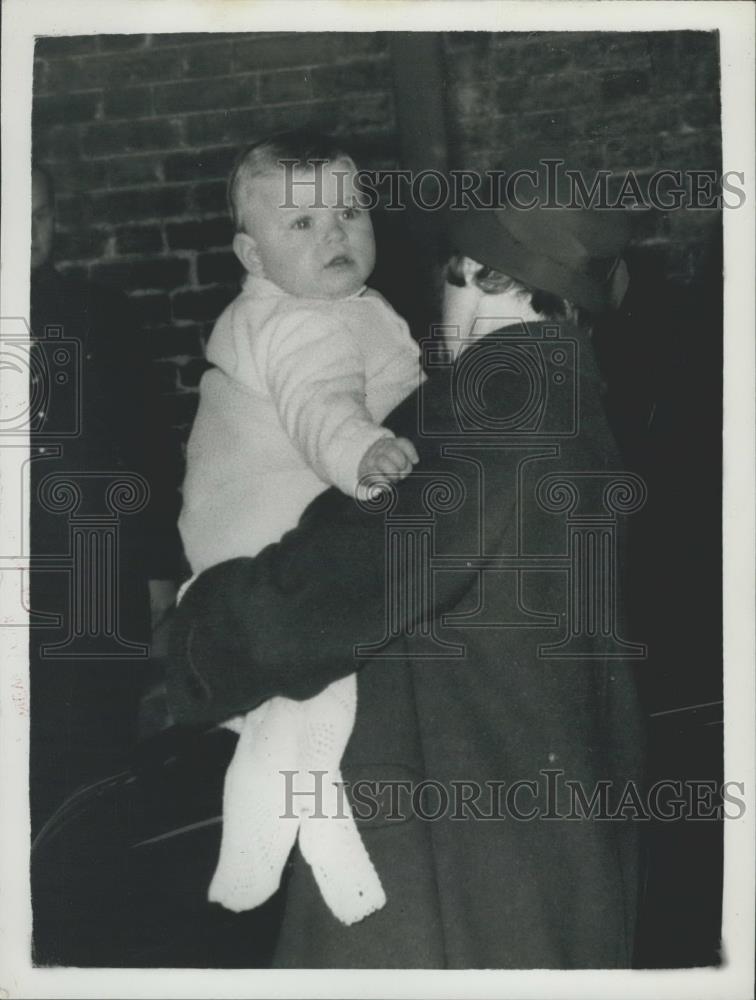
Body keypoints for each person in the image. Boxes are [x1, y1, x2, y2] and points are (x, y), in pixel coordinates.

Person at [167, 157, 647, 968]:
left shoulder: (494, 417)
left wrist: (188, 638)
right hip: (546, 831)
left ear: (475, 280)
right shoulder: (575, 406)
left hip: (457, 859)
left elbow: (328, 593)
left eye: (459, 280)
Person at [178, 131, 422, 923]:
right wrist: (370, 454)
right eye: (303, 225)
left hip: (238, 534)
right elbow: (325, 409)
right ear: (252, 255)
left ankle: (329, 867)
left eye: (348, 213)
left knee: (301, 707)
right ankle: (247, 867)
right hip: (264, 539)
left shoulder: (334, 307)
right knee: (314, 692)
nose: (336, 235)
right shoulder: (301, 323)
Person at [29, 164, 183, 833]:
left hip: (95, 574)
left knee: (96, 760)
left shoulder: (102, 317)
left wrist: (156, 568)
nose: (27, 233)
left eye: (38, 215)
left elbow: (147, 447)